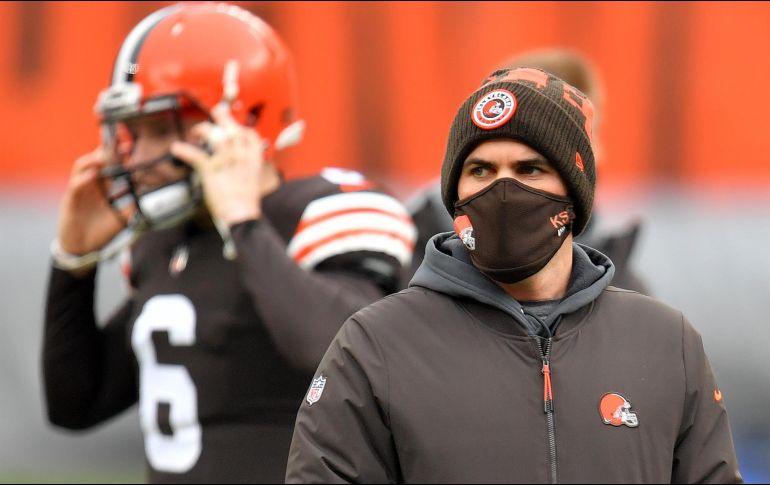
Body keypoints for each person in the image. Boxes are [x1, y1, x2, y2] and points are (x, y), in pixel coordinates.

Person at [285, 67, 742, 483]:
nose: (502, 191)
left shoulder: (665, 342)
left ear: (573, 195)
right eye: (480, 170)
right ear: (454, 192)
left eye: (529, 169)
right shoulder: (376, 345)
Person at [42, 3, 415, 483]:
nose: (138, 154)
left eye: (157, 128)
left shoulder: (323, 211)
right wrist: (73, 263)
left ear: (242, 119)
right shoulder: (166, 244)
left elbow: (348, 358)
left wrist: (244, 223)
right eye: (132, 132)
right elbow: (76, 402)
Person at [406, 47, 649, 294]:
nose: (599, 154)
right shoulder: (403, 265)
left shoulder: (618, 283)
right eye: (481, 169)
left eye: (529, 169)